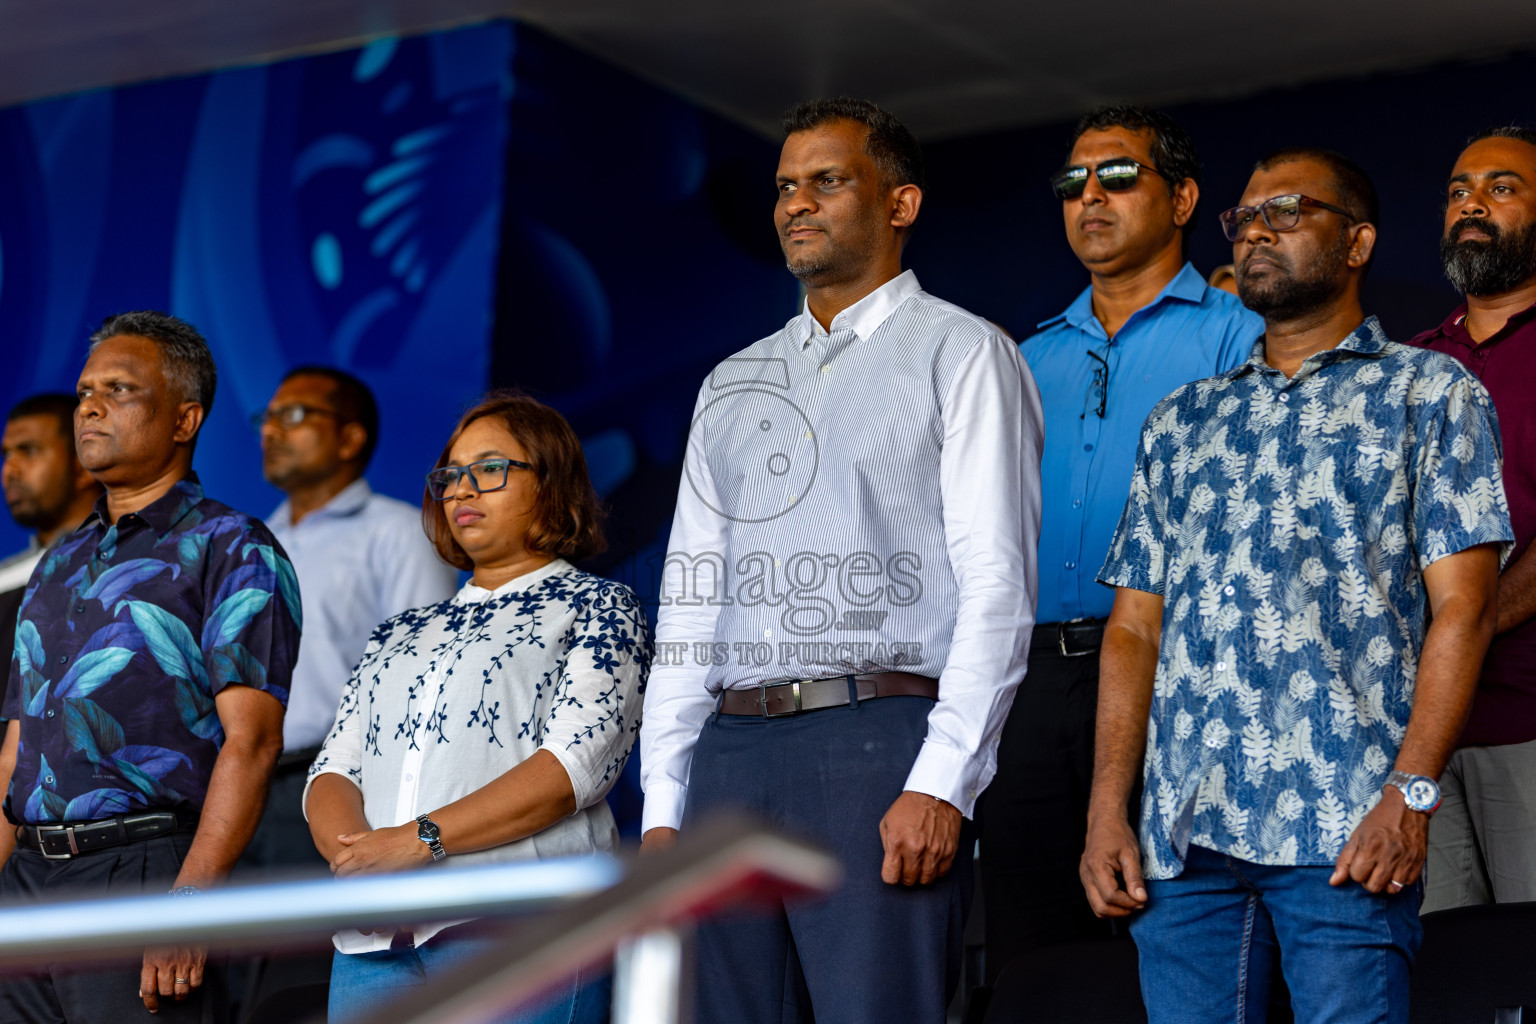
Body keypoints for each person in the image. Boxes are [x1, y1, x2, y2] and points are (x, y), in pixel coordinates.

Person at [1080, 148, 1511, 1024]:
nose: (1257, 231)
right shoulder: (1183, 421)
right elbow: (1133, 629)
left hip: (1348, 830)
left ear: (1357, 244)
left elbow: (1464, 611)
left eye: (1287, 210)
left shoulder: (1430, 392)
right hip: (1183, 838)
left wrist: (1412, 796)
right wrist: (1105, 811)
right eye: (1244, 219)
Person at [638, 97, 1043, 1023]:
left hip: (877, 743)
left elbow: (998, 588)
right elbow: (691, 602)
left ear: (900, 205)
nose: (796, 205)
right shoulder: (731, 381)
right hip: (729, 756)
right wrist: (666, 806)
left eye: (827, 182)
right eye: (786, 187)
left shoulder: (964, 352)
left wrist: (943, 782)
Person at [982, 105, 1262, 981]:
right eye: (1071, 183)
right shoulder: (1022, 357)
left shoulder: (1237, 333)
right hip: (1029, 676)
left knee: (1177, 943)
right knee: (1036, 951)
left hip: (1177, 664)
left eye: (1117, 176)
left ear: (1182, 199)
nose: (1089, 197)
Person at [304, 390, 648, 1024]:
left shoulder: (598, 607)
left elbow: (574, 768)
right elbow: (333, 768)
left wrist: (415, 843)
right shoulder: (399, 631)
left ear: (551, 482)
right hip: (370, 945)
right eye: (450, 476)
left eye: (489, 469)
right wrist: (357, 859)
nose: (461, 491)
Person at [0, 311, 300, 1023]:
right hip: (28, 880)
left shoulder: (232, 546)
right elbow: (16, 750)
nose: (92, 406)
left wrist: (190, 903)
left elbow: (252, 742)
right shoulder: (59, 563)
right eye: (84, 392)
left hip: (143, 870)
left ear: (183, 420)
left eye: (120, 389)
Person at [249, 366, 457, 870]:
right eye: (267, 417)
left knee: (311, 948)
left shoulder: (397, 533)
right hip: (240, 785)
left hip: (337, 787)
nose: (270, 431)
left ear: (350, 438)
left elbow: (422, 680)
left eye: (294, 415)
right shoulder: (251, 542)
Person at [1410, 126, 1536, 912]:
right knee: (1442, 974)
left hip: (1528, 717)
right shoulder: (1411, 366)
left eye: (1502, 187)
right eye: (1459, 190)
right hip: (1420, 737)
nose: (1472, 204)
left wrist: (1470, 623)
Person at [0, 395, 103, 713]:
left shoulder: (121, 566)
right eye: (6, 455)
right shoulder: (6, 576)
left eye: (28, 451)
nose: (10, 470)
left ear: (84, 464)